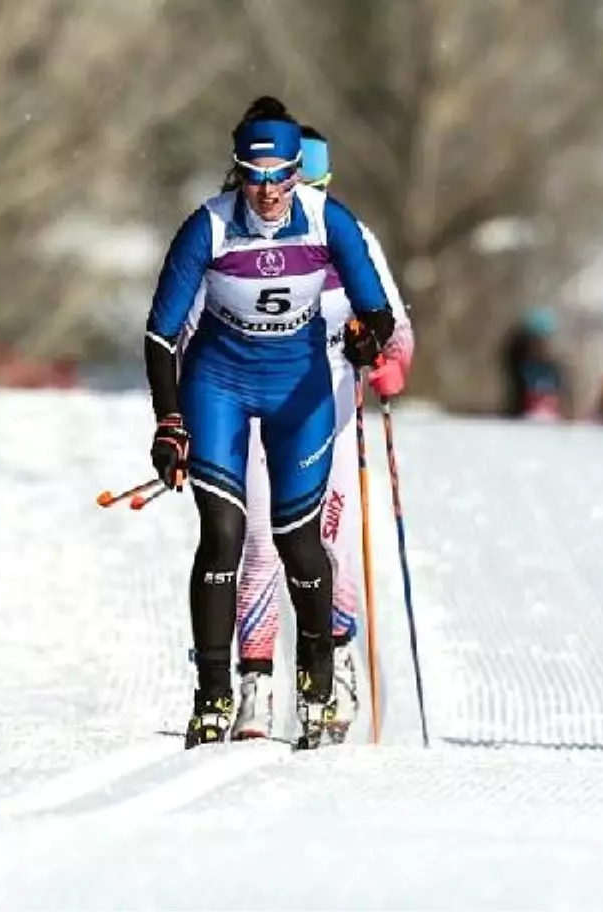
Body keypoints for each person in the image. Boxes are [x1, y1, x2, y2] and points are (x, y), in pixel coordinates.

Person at [144, 96, 396, 749]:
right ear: (237, 174)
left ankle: (317, 684)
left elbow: (380, 312)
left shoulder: (328, 220)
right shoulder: (207, 227)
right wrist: (169, 422)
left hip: (300, 389)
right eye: (255, 178)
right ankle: (214, 696)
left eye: (282, 176)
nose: (270, 192)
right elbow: (160, 335)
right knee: (225, 533)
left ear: (297, 172)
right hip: (219, 383)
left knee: (298, 541)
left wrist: (371, 340)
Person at [229, 124, 414, 742]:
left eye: (312, 185)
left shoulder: (352, 238)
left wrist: (389, 360)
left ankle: (333, 666)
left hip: (325, 420)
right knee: (257, 542)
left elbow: (396, 330)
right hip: (254, 416)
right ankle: (254, 685)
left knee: (319, 543)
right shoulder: (232, 236)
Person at [501, 306, 569, 419]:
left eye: (545, 339)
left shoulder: (553, 370)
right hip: (524, 422)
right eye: (536, 340)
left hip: (551, 423)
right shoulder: (519, 366)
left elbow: (561, 399)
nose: (542, 345)